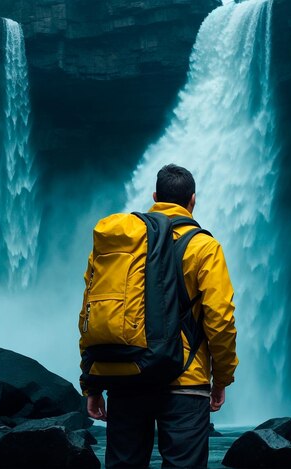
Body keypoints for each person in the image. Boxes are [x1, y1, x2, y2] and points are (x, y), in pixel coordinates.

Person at [81, 164, 238, 468]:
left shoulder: (122, 245)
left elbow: (91, 311)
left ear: (154, 196)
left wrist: (93, 383)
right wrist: (221, 379)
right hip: (184, 380)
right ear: (193, 200)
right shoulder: (204, 246)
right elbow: (220, 320)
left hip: (128, 374)